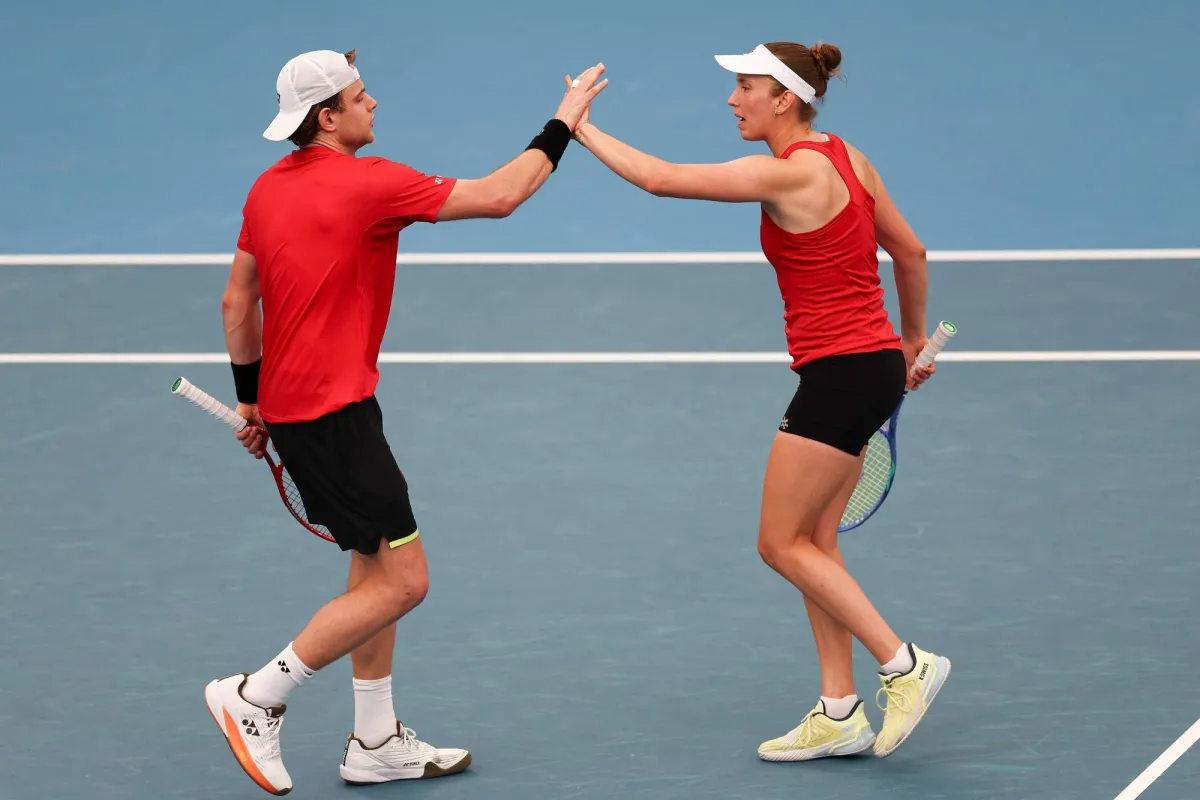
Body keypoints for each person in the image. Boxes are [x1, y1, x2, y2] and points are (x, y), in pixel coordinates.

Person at [206, 48, 607, 795]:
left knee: (372, 566)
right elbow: (501, 196)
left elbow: (237, 302)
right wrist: (563, 122)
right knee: (404, 584)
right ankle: (257, 695)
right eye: (361, 97)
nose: (374, 104)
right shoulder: (371, 184)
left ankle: (375, 741)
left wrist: (252, 400)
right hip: (334, 417)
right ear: (329, 117)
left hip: (306, 412)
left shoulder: (265, 189)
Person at [569, 42, 950, 761]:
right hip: (869, 367)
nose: (732, 99)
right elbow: (912, 252)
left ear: (784, 98)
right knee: (816, 544)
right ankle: (840, 712)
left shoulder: (790, 173)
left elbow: (659, 179)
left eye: (745, 87)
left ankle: (905, 666)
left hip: (840, 376)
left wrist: (577, 126)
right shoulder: (847, 156)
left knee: (778, 543)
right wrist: (909, 341)